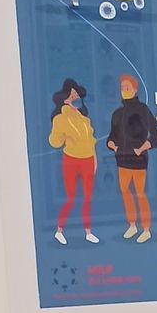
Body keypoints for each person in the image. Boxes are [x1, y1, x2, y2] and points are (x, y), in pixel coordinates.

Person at [106, 73, 157, 243]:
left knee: (140, 193)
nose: (124, 90)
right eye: (122, 87)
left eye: (127, 87)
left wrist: (142, 148)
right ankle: (132, 225)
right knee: (125, 191)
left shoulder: (143, 110)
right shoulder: (117, 113)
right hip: (122, 159)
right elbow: (111, 137)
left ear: (135, 89)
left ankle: (146, 229)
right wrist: (112, 145)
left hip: (138, 160)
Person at [47, 78, 99, 245]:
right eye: (72, 96)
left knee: (87, 198)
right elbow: (55, 142)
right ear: (65, 100)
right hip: (71, 159)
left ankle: (88, 232)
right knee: (71, 197)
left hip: (88, 160)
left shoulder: (84, 119)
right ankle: (59, 231)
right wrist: (60, 134)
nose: (76, 98)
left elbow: (91, 141)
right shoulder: (60, 119)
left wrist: (95, 160)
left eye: (77, 95)